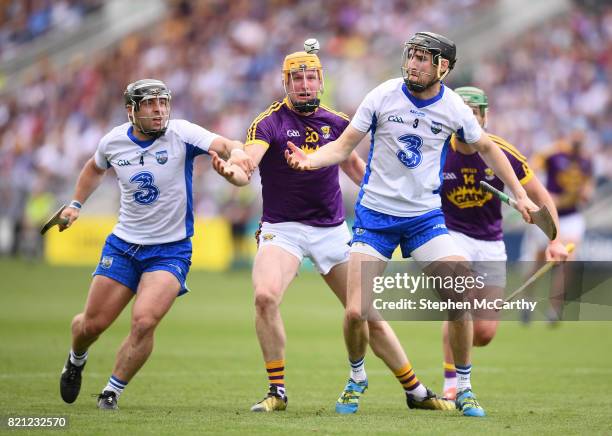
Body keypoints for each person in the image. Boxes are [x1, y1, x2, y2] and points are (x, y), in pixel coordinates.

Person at [286, 31, 540, 417]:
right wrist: (311, 159)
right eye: (412, 56)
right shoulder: (382, 95)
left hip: (424, 219)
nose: (414, 64)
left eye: (424, 59)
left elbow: (488, 147)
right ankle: (357, 377)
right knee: (356, 312)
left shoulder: (454, 107)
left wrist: (520, 194)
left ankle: (465, 388)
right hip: (375, 218)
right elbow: (343, 147)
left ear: (443, 67)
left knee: (460, 296)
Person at [213, 47, 453, 413]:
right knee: (265, 297)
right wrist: (234, 172)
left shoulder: (338, 122)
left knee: (364, 313)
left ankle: (415, 391)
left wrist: (395, 200)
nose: (304, 85)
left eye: (311, 78)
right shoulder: (268, 123)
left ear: (321, 81)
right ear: (285, 83)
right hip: (283, 229)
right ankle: (277, 391)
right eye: (296, 78)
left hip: (333, 229)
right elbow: (248, 163)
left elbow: (357, 170)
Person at [58, 78, 255, 410]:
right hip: (123, 246)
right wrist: (76, 204)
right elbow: (94, 168)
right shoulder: (113, 142)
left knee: (145, 321)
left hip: (170, 249)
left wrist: (237, 152)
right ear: (131, 110)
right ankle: (76, 359)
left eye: (163, 102)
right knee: (90, 325)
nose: (159, 110)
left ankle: (111, 392)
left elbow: (224, 144)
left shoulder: (181, 133)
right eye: (150, 104)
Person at [438, 86, 569, 400]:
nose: (469, 118)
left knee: (483, 333)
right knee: (459, 306)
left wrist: (555, 240)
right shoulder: (438, 150)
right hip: (450, 236)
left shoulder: (500, 152)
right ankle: (451, 383)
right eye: (463, 112)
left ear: (484, 116)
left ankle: (459, 356)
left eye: (475, 112)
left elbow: (540, 196)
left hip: (490, 243)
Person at [519, 121, 593, 322]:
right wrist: (546, 194)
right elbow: (529, 170)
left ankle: (554, 310)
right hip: (550, 216)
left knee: (566, 262)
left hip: (571, 215)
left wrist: (587, 192)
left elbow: (589, 184)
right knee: (537, 261)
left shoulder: (586, 159)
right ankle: (527, 302)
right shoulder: (553, 153)